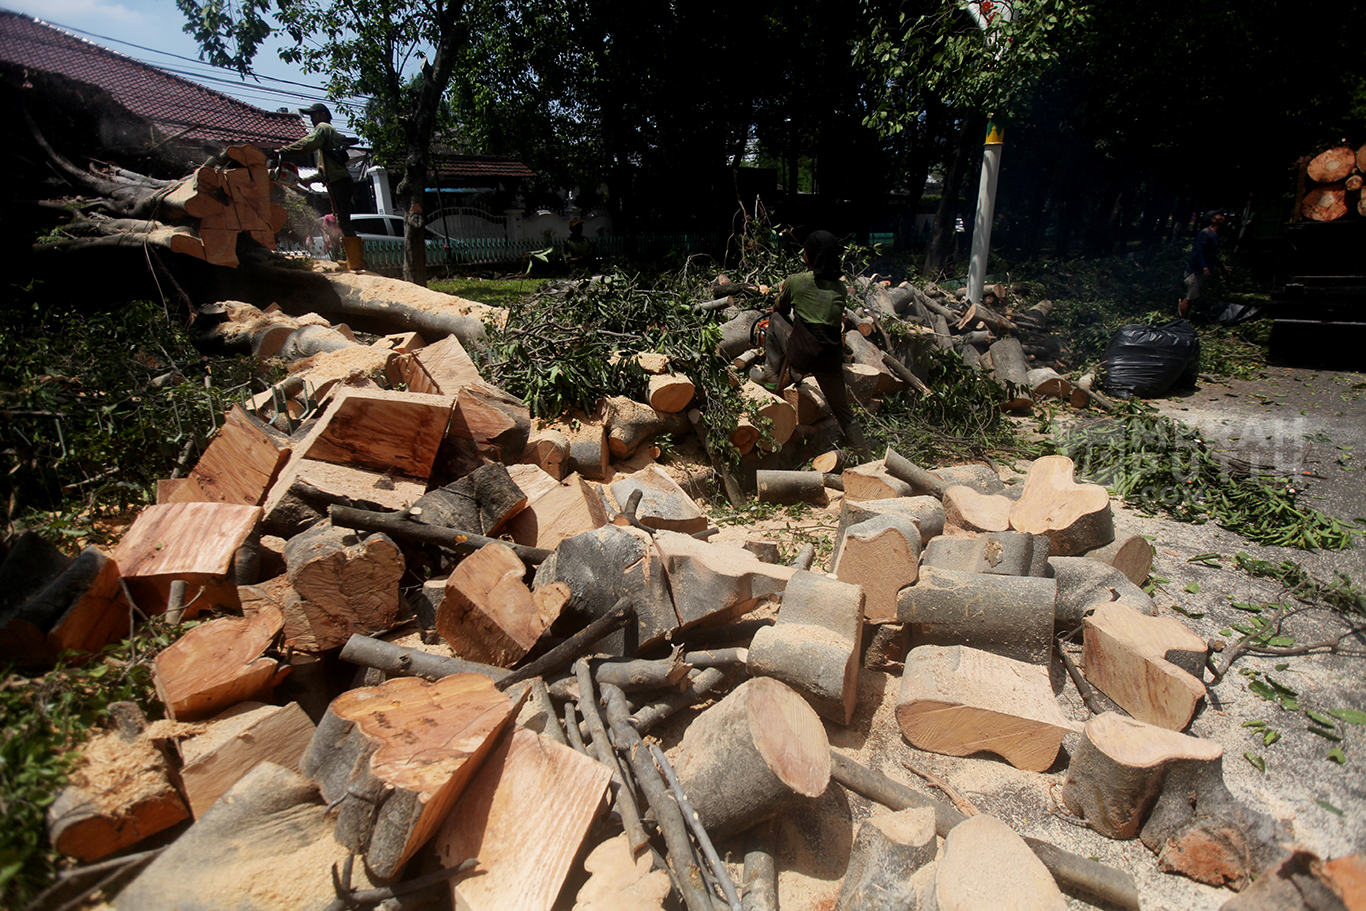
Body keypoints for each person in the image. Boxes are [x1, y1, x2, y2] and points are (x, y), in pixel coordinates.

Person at [750, 230, 872, 461]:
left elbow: (781, 308)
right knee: (844, 412)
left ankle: (771, 374)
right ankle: (865, 457)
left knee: (774, 319)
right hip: (829, 359)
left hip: (801, 355)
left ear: (811, 256)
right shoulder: (840, 289)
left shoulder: (797, 281)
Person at [278, 103, 366, 271]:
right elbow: (324, 172)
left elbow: (308, 144)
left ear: (323, 115)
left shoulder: (323, 128)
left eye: (314, 115)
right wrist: (309, 180)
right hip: (337, 181)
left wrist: (284, 150)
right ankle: (352, 260)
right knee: (341, 221)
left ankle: (356, 262)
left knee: (344, 221)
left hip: (339, 182)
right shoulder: (326, 142)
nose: (312, 118)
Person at [1179, 210, 1230, 318]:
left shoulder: (1214, 234)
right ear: (1213, 219)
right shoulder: (1205, 233)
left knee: (1194, 297)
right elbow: (1197, 252)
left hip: (1202, 271)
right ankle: (1181, 320)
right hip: (1195, 271)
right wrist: (1204, 267)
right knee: (1189, 297)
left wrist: (1220, 265)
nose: (1223, 217)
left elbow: (1210, 254)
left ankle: (1183, 318)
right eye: (1220, 215)